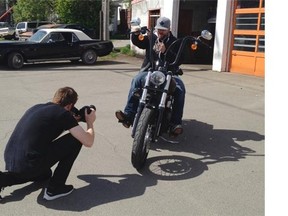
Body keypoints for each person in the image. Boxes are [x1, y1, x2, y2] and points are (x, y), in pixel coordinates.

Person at [0, 87, 96, 201]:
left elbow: (53, 124)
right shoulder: (62, 114)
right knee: (75, 140)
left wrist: (75, 119)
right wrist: (90, 122)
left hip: (12, 161)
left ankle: (3, 179)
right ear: (70, 106)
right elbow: (88, 141)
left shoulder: (37, 107)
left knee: (45, 175)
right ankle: (54, 189)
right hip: (30, 162)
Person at [115, 17, 186, 136]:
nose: (160, 32)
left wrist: (166, 51)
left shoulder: (176, 42)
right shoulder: (151, 38)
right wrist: (135, 33)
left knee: (180, 90)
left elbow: (179, 59)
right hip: (149, 71)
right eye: (159, 29)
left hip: (169, 73)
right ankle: (129, 116)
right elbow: (139, 42)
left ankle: (175, 124)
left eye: (163, 30)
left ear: (169, 29)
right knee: (136, 80)